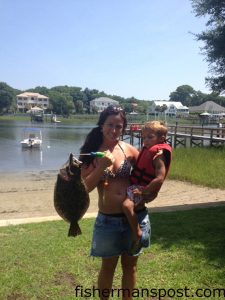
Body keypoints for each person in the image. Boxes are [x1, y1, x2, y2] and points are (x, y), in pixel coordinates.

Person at [79, 106, 154, 300]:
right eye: (110, 125)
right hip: (108, 221)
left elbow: (147, 174)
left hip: (135, 217)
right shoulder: (91, 153)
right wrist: (101, 167)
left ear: (124, 128)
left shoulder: (130, 150)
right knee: (108, 269)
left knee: (130, 268)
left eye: (119, 126)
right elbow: (83, 189)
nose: (114, 130)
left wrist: (149, 193)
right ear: (102, 125)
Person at [122, 121, 172, 255]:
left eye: (150, 137)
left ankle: (138, 234)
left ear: (161, 138)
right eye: (144, 137)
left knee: (127, 206)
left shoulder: (159, 155)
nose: (145, 141)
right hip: (138, 185)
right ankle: (134, 238)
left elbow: (160, 177)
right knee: (130, 207)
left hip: (142, 187)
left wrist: (145, 191)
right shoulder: (149, 150)